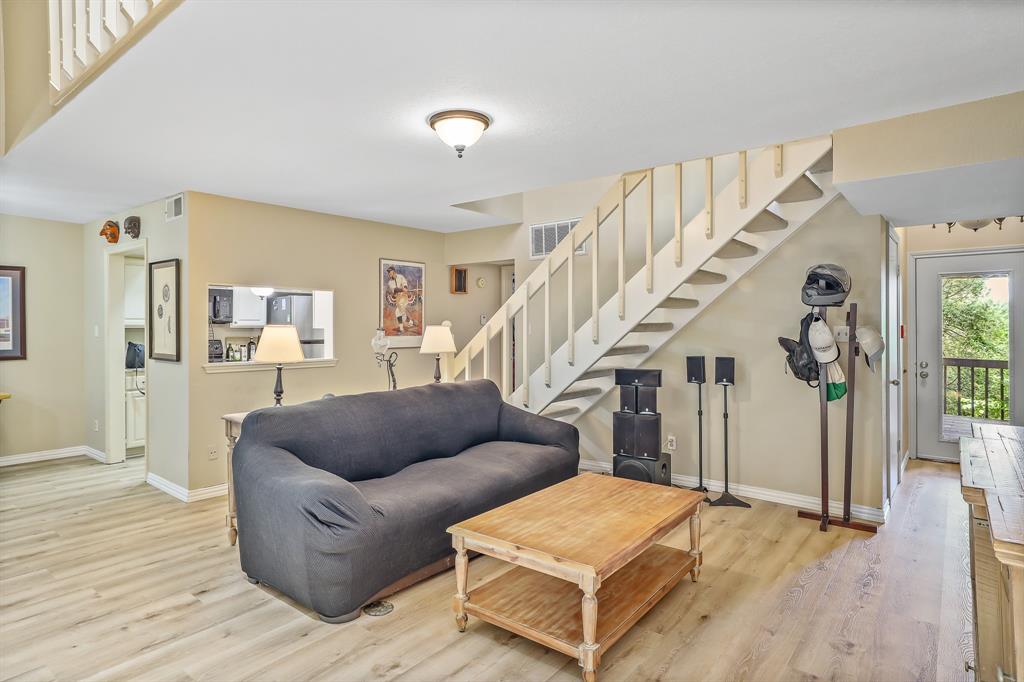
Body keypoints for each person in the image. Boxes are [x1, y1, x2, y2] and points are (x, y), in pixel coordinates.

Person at [385, 266, 417, 333]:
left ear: (394, 272)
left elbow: (405, 283)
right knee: (402, 313)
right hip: (398, 298)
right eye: (388, 273)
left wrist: (405, 287)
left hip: (404, 297)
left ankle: (401, 329)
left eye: (390, 272)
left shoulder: (400, 277)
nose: (389, 274)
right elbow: (395, 289)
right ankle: (411, 322)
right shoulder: (390, 282)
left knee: (397, 312)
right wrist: (402, 289)